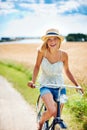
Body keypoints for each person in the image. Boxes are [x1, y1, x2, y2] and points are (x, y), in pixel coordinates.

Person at [27, 28, 84, 130]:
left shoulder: (64, 55)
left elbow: (67, 71)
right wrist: (33, 81)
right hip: (45, 85)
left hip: (60, 87)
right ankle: (40, 123)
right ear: (46, 41)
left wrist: (77, 85)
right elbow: (36, 66)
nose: (52, 42)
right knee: (52, 110)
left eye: (55, 39)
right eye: (49, 39)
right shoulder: (42, 52)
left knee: (57, 117)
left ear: (59, 40)